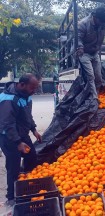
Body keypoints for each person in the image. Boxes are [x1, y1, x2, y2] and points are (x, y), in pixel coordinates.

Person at [0, 73, 42, 205]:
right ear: (22, 85)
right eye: (32, 88)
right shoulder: (9, 99)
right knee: (13, 166)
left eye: (35, 88)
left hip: (22, 135)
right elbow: (7, 124)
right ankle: (11, 197)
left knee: (32, 156)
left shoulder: (26, 96)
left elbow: (27, 116)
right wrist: (18, 142)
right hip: (9, 137)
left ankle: (26, 184)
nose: (34, 91)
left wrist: (34, 130)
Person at [76, 4, 105, 99]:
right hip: (84, 53)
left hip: (95, 53)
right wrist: (80, 47)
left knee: (98, 76)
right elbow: (78, 38)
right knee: (91, 75)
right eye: (102, 22)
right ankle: (94, 98)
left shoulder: (102, 22)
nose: (103, 25)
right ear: (95, 17)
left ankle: (98, 94)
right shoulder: (83, 24)